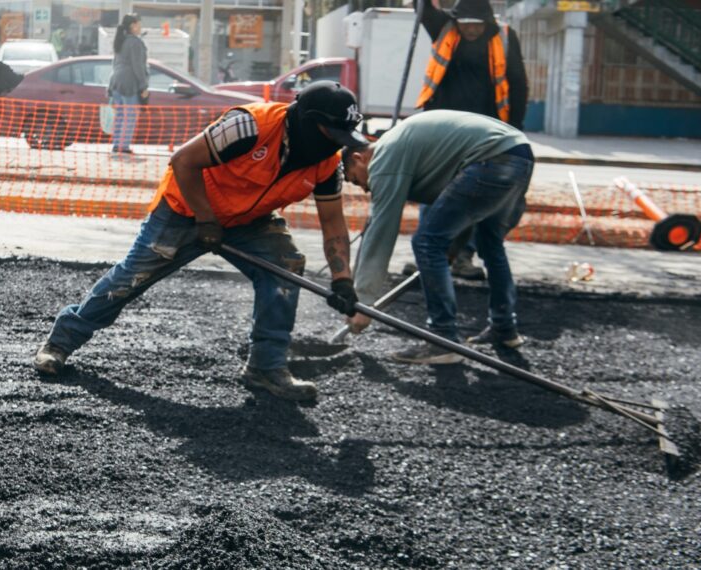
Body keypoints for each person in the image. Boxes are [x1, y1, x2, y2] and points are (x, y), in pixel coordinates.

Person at [33, 82, 366, 402]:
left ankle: (266, 367)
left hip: (249, 222)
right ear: (308, 121)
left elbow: (333, 222)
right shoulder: (248, 125)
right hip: (184, 211)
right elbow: (183, 161)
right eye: (332, 135)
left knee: (285, 267)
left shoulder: (327, 162)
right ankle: (61, 343)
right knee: (130, 278)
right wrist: (205, 218)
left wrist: (342, 280)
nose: (337, 145)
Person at [343, 110, 534, 364]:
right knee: (490, 244)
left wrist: (363, 301)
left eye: (355, 180)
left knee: (426, 242)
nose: (365, 188)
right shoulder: (411, 151)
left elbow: (381, 230)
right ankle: (504, 327)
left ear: (359, 158)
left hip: (490, 159)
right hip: (518, 154)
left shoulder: (383, 158)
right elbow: (463, 206)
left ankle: (442, 338)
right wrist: (452, 250)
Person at [414, 0, 529, 280]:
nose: (471, 31)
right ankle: (432, 255)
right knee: (436, 190)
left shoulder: (503, 35)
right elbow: (422, 6)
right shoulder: (444, 27)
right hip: (444, 132)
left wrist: (513, 127)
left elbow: (518, 83)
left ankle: (463, 256)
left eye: (477, 25)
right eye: (466, 25)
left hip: (487, 135)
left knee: (478, 196)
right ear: (457, 21)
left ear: (487, 22)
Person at [108, 13, 149, 154]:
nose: (140, 27)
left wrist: (109, 87)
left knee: (120, 115)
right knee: (130, 116)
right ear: (133, 25)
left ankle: (117, 144)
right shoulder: (135, 42)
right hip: (129, 84)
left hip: (116, 82)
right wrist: (143, 86)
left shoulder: (121, 41)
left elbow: (115, 64)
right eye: (139, 24)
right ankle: (124, 146)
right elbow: (138, 66)